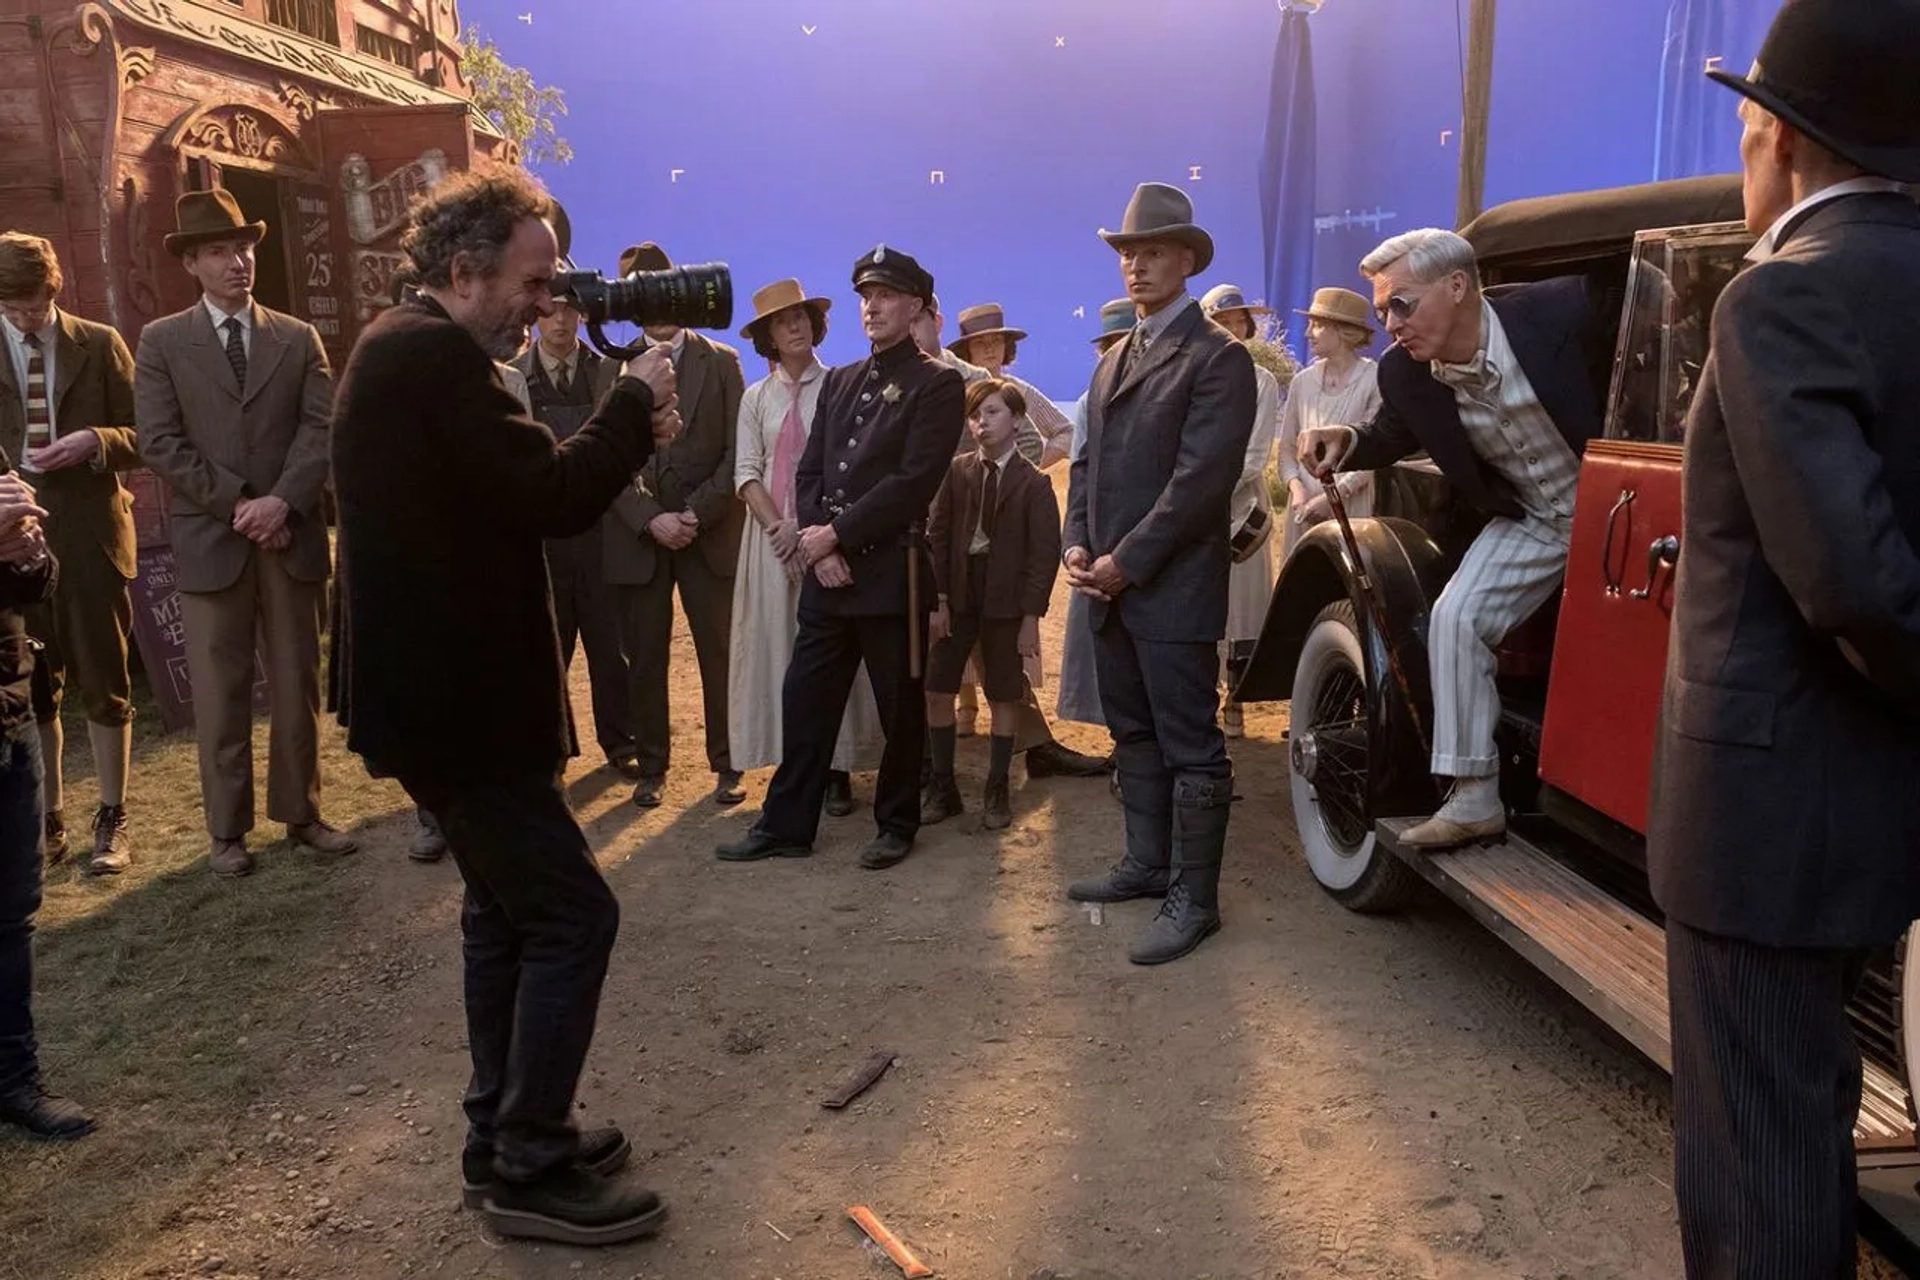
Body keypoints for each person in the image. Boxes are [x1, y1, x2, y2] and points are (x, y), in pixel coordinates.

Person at [330, 166, 678, 1244]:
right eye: (533, 281)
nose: (547, 302)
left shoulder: (406, 348)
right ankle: (528, 1161)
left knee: (504, 912)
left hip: (449, 700)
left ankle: (503, 1130)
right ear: (468, 266)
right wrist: (635, 404)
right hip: (457, 707)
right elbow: (554, 496)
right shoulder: (430, 359)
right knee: (576, 911)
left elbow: (508, 498)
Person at [1647, 2, 1920, 1272]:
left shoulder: (1777, 302)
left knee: (1761, 1160)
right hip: (1879, 799)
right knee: (1813, 1100)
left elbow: (1853, 582)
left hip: (1762, 818)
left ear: (1780, 136)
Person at [1296, 227, 1609, 851]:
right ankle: (1474, 798)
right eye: (1382, 310)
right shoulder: (1405, 374)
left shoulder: (1565, 311)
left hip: (1624, 513)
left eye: (1401, 304)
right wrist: (1350, 441)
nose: (1390, 323)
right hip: (1537, 518)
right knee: (1457, 617)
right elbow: (1392, 432)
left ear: (1458, 286)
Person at [715, 245, 965, 869]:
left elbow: (912, 482)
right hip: (832, 575)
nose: (873, 306)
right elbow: (812, 471)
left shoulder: (937, 384)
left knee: (899, 706)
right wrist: (818, 543)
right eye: (866, 296)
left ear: (916, 307)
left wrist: (835, 536)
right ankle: (786, 825)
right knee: (805, 700)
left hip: (891, 574)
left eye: (886, 295)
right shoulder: (845, 380)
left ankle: (896, 821)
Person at [1062, 182, 1256, 965]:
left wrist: (1124, 562)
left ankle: (1195, 899)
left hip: (1170, 591)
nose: (1135, 267)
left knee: (1190, 744)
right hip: (1112, 589)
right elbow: (1085, 469)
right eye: (1127, 255)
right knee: (1133, 732)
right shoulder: (1117, 361)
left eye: (1150, 253)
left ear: (1187, 260)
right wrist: (1077, 545)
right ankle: (1148, 865)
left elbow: (1199, 485)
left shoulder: (1217, 358)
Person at [134, 189, 354, 877]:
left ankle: (302, 813)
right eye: (222, 251)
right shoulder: (162, 342)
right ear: (193, 263)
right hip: (214, 543)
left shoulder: (296, 336)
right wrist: (240, 505)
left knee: (297, 685)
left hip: (288, 541)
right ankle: (226, 831)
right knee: (220, 691)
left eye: (246, 247)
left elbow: (322, 428)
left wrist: (282, 504)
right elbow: (159, 443)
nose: (240, 262)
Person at [911, 299, 1109, 778]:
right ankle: (924, 760)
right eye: (981, 342)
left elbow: (1057, 433)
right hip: (922, 532)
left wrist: (1020, 477)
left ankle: (1031, 746)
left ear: (934, 321)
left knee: (998, 649)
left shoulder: (988, 387)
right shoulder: (903, 383)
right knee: (924, 650)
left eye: (996, 342)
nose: (990, 350)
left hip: (987, 542)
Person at [0, 233, 140, 873]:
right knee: (34, 689)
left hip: (88, 532)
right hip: (13, 543)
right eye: (14, 310)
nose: (28, 320)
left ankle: (113, 818)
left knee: (105, 683)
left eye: (37, 308)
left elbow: (151, 435)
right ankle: (47, 820)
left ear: (55, 292)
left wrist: (96, 440)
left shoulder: (100, 343)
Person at [727, 278, 883, 817]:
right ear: (768, 336)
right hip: (770, 544)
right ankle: (796, 768)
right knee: (780, 649)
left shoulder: (840, 385)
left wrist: (814, 533)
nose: (793, 327)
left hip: (828, 537)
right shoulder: (755, 398)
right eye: (780, 322)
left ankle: (837, 767)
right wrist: (779, 530)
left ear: (814, 325)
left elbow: (851, 462)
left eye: (800, 318)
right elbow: (747, 473)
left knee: (832, 653)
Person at [605, 243, 747, 810]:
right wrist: (650, 519)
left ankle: (729, 762)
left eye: (661, 288)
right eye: (641, 292)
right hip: (642, 539)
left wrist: (697, 513)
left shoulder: (722, 362)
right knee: (644, 655)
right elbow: (605, 457)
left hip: (707, 533)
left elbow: (740, 451)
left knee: (718, 650)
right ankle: (652, 765)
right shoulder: (613, 364)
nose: (655, 304)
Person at [923, 378, 1061, 829]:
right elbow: (938, 537)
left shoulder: (1034, 483)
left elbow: (1043, 557)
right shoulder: (957, 472)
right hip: (959, 594)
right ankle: (942, 785)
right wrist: (939, 599)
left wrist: (1030, 618)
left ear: (1018, 419)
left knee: (1004, 692)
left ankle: (997, 785)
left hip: (1005, 599)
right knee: (937, 686)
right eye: (976, 415)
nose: (982, 423)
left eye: (994, 413)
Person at [0, 471, 92, 1139]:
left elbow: (35, 590)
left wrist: (30, 556)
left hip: (8, 712)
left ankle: (14, 1080)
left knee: (12, 914)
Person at [512, 299, 637, 778]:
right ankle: (551, 749)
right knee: (548, 648)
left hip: (603, 528)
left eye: (569, 311)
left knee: (612, 647)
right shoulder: (516, 376)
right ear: (535, 317)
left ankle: (620, 743)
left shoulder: (607, 371)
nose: (560, 321)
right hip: (545, 537)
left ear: (582, 316)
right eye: (549, 312)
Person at [1199, 284, 1282, 739]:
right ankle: (1203, 697)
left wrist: (1208, 485)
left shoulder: (1262, 381)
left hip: (1244, 510)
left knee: (1244, 606)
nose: (1233, 329)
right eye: (1223, 321)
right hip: (1200, 512)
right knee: (1204, 602)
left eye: (1238, 322)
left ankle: (1237, 698)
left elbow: (1255, 455)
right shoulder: (1197, 374)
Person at [1055, 299, 1136, 734]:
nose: (1113, 352)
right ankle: (1120, 745)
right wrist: (1075, 543)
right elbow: (1080, 471)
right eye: (1107, 344)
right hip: (1100, 538)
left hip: (1143, 543)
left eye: (1122, 341)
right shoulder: (1090, 400)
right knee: (1102, 644)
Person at [1278, 287, 1380, 560]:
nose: (1307, 333)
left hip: (1350, 508)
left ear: (1344, 331)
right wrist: (1298, 492)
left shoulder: (1373, 379)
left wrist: (1331, 499)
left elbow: (1375, 452)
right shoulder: (1303, 382)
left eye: (1318, 325)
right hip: (1303, 509)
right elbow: (1287, 450)